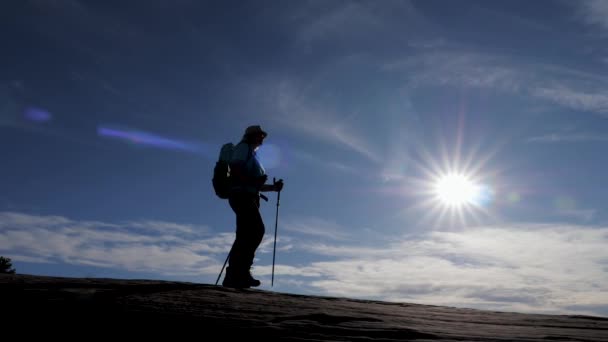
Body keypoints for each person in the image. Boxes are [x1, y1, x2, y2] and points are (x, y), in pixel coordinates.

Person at [222, 125, 283, 288]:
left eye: (262, 135)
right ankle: (239, 272)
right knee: (256, 230)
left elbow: (255, 184)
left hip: (245, 195)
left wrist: (273, 188)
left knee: (245, 234)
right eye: (258, 135)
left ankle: (236, 274)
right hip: (241, 195)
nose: (261, 138)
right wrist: (255, 182)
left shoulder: (252, 154)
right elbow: (236, 171)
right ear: (250, 136)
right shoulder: (243, 148)